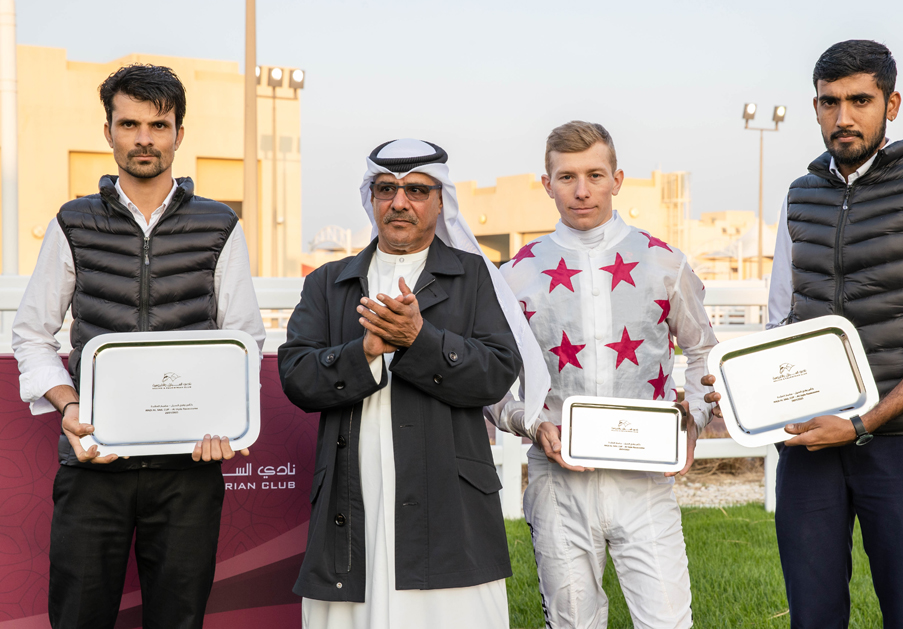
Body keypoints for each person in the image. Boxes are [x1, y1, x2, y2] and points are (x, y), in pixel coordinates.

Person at [703, 40, 903, 628]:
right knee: (813, 615)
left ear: (892, 102)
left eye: (861, 99)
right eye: (830, 102)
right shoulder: (799, 195)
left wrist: (862, 422)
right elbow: (781, 322)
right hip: (808, 443)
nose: (844, 116)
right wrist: (742, 389)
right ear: (814, 107)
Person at [11, 64, 266, 628]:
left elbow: (244, 337)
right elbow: (31, 334)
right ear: (109, 132)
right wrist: (70, 407)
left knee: (178, 620)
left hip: (188, 469)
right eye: (129, 124)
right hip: (92, 459)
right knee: (78, 618)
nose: (144, 138)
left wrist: (230, 421)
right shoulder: (72, 222)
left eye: (158, 124)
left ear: (179, 132)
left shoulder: (219, 224)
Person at [278, 138, 547, 629]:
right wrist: (363, 353)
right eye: (386, 189)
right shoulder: (327, 281)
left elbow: (495, 373)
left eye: (417, 190)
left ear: (441, 200)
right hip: (349, 498)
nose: (399, 202)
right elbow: (296, 376)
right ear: (372, 197)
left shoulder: (475, 278)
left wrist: (419, 340)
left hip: (450, 504)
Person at [491, 121, 717, 629]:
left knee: (667, 622)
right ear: (546, 183)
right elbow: (494, 378)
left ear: (617, 179)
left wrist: (694, 422)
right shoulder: (517, 275)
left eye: (595, 174)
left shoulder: (664, 262)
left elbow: (704, 352)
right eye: (566, 176)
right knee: (573, 623)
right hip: (557, 481)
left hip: (646, 480)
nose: (581, 189)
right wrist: (530, 423)